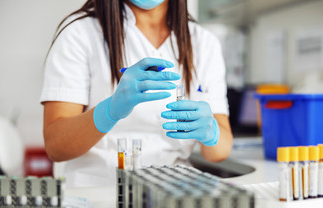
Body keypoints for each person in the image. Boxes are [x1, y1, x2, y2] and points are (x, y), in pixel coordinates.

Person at [40, 0, 233, 187]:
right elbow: (56, 146)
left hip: (174, 191)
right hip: (98, 191)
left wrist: (211, 131)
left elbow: (218, 152)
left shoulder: (204, 43)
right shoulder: (79, 33)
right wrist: (108, 111)